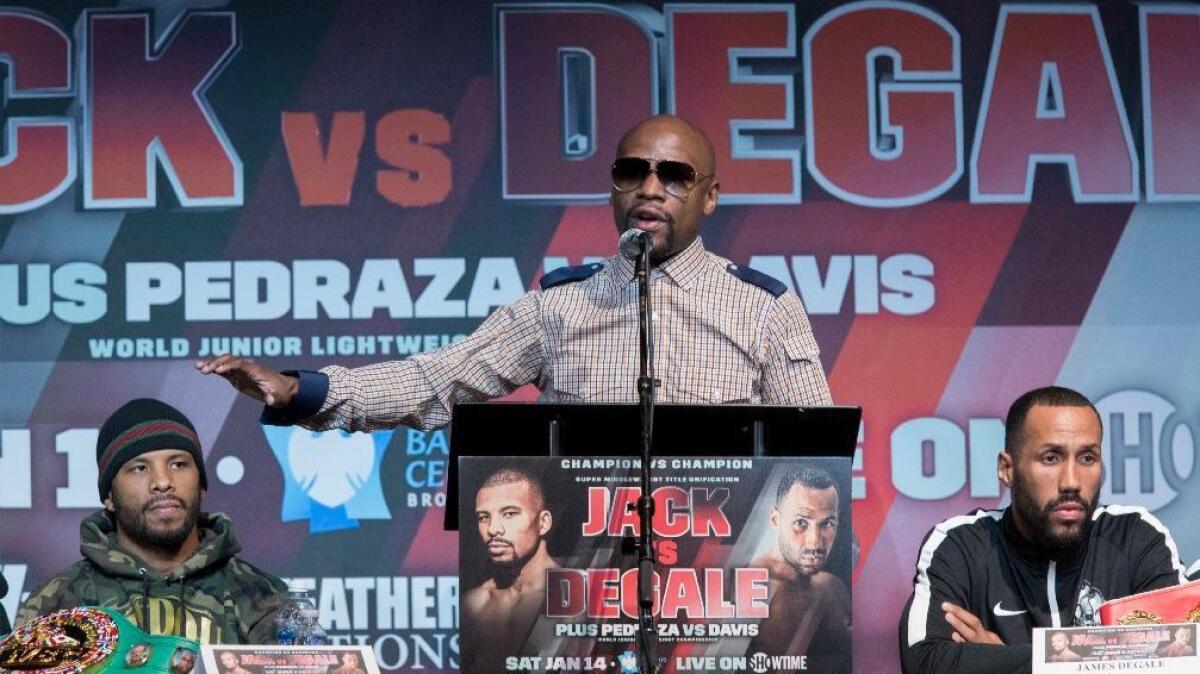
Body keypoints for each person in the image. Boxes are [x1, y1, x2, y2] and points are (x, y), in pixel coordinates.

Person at [195, 115, 831, 431]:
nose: (650, 188)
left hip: (722, 591)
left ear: (710, 196)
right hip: (582, 591)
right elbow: (433, 382)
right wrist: (301, 391)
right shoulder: (559, 309)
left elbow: (816, 461)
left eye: (675, 176)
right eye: (632, 172)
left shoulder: (764, 309)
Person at [899, 386, 1189, 673]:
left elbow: (1179, 656)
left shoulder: (1135, 537)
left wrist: (1007, 661)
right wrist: (1114, 656)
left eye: (1087, 458)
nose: (1071, 482)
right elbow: (926, 662)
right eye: (1051, 458)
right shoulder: (961, 546)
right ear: (1006, 469)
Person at [16, 399, 289, 644]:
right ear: (109, 496)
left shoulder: (264, 598)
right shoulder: (58, 601)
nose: (162, 482)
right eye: (139, 468)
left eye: (178, 464)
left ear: (201, 486)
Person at [749, 465, 851, 666]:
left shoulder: (832, 586)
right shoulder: (750, 585)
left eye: (827, 524)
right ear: (776, 520)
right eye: (801, 523)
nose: (815, 542)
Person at [460, 468, 559, 674]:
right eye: (483, 516)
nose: (493, 529)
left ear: (543, 523)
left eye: (510, 514)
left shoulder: (578, 598)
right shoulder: (475, 604)